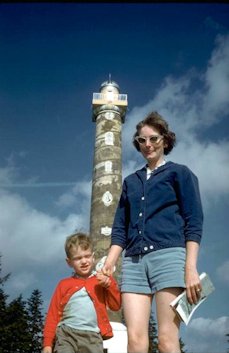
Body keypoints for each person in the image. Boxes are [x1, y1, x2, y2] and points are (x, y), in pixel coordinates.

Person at [101, 111, 204, 353]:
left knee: (167, 340)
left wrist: (190, 268)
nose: (148, 145)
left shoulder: (180, 173)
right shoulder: (130, 182)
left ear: (165, 140)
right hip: (134, 263)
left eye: (154, 138)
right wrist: (110, 262)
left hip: (169, 258)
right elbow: (119, 228)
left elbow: (194, 222)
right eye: (141, 140)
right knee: (135, 341)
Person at [42, 232, 121, 353]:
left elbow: (116, 306)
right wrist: (47, 343)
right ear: (69, 262)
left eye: (87, 256)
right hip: (66, 334)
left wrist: (109, 285)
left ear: (93, 257)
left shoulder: (102, 281)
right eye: (78, 258)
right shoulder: (63, 284)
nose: (84, 261)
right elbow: (53, 315)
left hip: (93, 336)